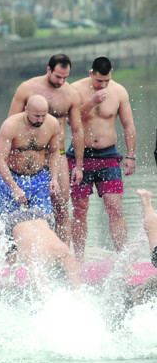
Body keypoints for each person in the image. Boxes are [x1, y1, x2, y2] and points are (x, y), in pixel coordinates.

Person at [0, 94, 81, 287]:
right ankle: (12, 276)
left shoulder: (51, 125)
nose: (40, 120)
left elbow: (54, 152)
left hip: (39, 178)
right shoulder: (10, 126)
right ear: (26, 110)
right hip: (12, 178)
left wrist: (54, 178)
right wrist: (15, 188)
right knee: (10, 229)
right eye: (36, 116)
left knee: (44, 222)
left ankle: (49, 268)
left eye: (43, 115)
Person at [7, 53, 85, 244]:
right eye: (58, 76)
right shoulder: (27, 88)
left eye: (65, 77)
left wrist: (78, 166)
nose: (61, 81)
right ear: (48, 70)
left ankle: (61, 259)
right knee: (18, 211)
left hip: (57, 154)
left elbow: (77, 131)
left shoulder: (71, 94)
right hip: (29, 155)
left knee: (61, 208)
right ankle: (21, 254)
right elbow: (10, 124)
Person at [68, 57, 137, 258]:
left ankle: (123, 260)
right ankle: (78, 259)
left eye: (106, 80)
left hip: (108, 156)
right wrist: (91, 102)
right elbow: (71, 122)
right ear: (91, 74)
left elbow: (128, 125)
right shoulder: (75, 89)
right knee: (80, 209)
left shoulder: (119, 92)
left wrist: (131, 156)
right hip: (80, 156)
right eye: (99, 81)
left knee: (115, 208)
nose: (103, 85)